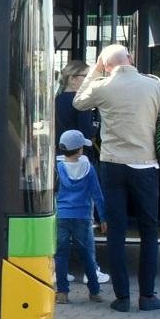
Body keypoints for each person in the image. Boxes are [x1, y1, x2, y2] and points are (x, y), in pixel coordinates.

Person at [73, 43, 160, 312]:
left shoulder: (102, 86)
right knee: (149, 231)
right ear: (131, 59)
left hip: (112, 165)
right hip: (145, 167)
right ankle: (147, 296)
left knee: (116, 232)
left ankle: (121, 298)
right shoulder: (155, 85)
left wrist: (95, 71)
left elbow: (78, 102)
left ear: (105, 64)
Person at [53, 129, 104, 303]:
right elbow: (97, 194)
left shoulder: (57, 167)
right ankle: (95, 291)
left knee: (61, 254)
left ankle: (62, 293)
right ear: (80, 150)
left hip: (61, 216)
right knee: (87, 255)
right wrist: (103, 218)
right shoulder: (88, 168)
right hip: (83, 217)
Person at [54, 63, 99, 148]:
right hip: (78, 153)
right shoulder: (81, 101)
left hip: (61, 149)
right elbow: (86, 131)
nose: (91, 79)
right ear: (72, 79)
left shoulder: (57, 99)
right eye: (87, 76)